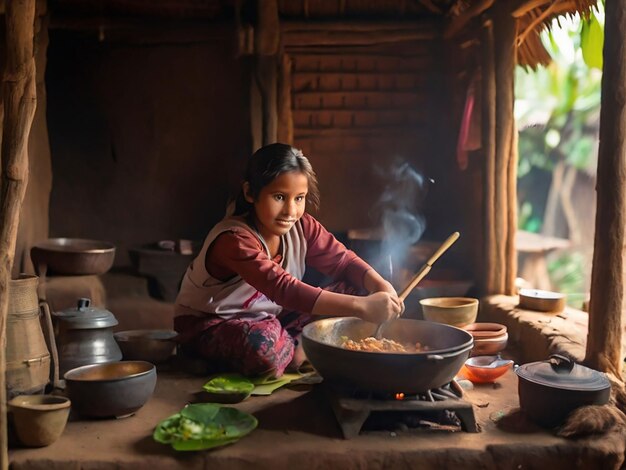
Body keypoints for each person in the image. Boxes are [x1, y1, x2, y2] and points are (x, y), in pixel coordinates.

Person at [174, 143, 403, 378]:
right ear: (250, 193)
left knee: (359, 288)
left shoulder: (303, 226)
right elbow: (283, 288)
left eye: (299, 198)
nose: (290, 211)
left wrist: (381, 286)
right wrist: (361, 307)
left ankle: (295, 346)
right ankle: (299, 349)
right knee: (263, 351)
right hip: (212, 325)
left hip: (271, 319)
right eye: (279, 197)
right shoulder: (234, 239)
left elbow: (343, 262)